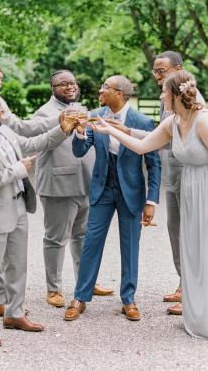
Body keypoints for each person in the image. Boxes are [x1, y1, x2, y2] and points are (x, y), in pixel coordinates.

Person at [92, 71, 208, 343]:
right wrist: (109, 129)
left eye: (164, 92)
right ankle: (203, 316)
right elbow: (143, 145)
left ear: (177, 95)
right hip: (192, 190)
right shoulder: (173, 122)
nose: (160, 96)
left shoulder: (205, 121)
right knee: (195, 252)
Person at [0, 93, 75, 347]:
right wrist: (18, 170)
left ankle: (14, 314)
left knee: (18, 265)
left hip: (20, 206)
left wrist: (62, 130)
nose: (5, 112)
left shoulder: (5, 133)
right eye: (0, 109)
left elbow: (35, 142)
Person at [107, 51, 204, 316]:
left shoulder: (191, 100)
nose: (156, 76)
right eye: (155, 71)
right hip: (173, 178)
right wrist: (123, 130)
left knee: (190, 235)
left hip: (190, 177)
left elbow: (166, 138)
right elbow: (159, 134)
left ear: (178, 69)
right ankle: (184, 284)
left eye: (161, 70)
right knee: (176, 231)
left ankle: (194, 295)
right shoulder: (167, 99)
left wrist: (125, 132)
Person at [0, 49, 58, 317]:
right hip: (0, 187)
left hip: (16, 191)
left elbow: (21, 134)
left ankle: (5, 304)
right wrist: (15, 168)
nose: (0, 75)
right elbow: (20, 130)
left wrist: (61, 126)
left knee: (13, 256)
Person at [64, 76, 161, 322]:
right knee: (91, 243)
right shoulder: (94, 115)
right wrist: (80, 131)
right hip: (102, 188)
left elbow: (154, 164)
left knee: (130, 246)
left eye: (105, 87)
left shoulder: (142, 122)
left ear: (120, 93)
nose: (100, 89)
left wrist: (152, 201)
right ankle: (80, 297)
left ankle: (129, 299)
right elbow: (80, 151)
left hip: (132, 191)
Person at [33, 70, 113, 308]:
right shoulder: (43, 114)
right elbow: (41, 145)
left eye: (73, 83)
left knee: (84, 237)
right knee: (56, 239)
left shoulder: (83, 109)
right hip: (59, 186)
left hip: (86, 184)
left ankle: (85, 282)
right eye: (63, 84)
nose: (70, 87)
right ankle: (54, 289)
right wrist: (64, 126)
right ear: (53, 88)